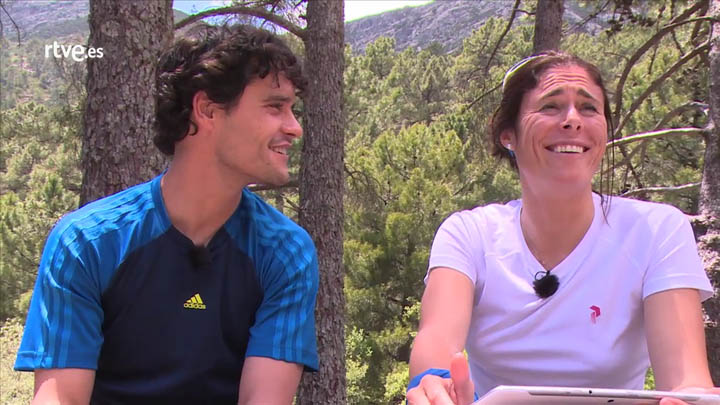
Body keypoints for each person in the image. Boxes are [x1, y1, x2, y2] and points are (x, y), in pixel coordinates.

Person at [15, 23, 318, 404]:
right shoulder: (87, 242)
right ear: (207, 109)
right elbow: (61, 398)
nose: (294, 128)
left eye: (293, 109)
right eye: (275, 106)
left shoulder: (285, 252)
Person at [406, 51, 719, 405]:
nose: (572, 120)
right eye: (550, 106)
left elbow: (685, 380)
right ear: (508, 135)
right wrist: (435, 386)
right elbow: (435, 345)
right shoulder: (467, 235)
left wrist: (693, 399)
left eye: (588, 108)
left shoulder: (657, 231)